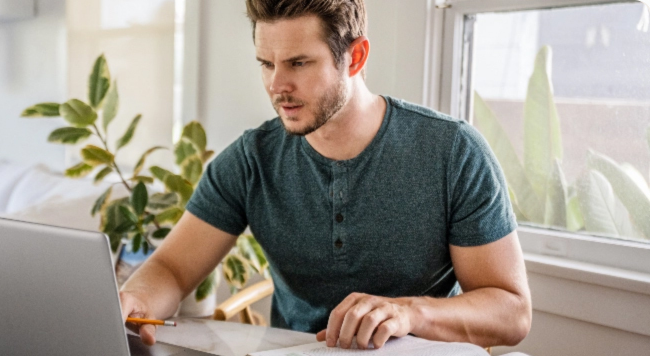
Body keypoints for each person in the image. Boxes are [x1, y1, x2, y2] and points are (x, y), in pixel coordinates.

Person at [120, 0, 531, 350]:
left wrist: (409, 311)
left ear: (355, 57)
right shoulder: (250, 161)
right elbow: (172, 268)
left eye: (299, 63)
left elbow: (511, 313)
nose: (277, 85)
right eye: (266, 63)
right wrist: (136, 298)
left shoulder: (453, 151)